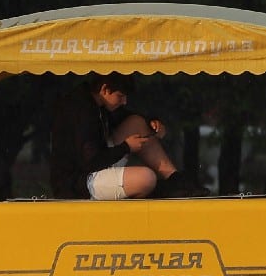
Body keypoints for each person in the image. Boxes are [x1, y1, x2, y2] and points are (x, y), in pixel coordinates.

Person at [49, 73, 206, 199]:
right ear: (104, 89)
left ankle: (175, 180)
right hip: (78, 183)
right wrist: (126, 147)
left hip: (98, 162)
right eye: (120, 96)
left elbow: (125, 116)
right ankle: (160, 189)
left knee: (137, 123)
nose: (124, 102)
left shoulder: (96, 102)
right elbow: (91, 161)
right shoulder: (81, 111)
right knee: (146, 178)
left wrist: (151, 122)